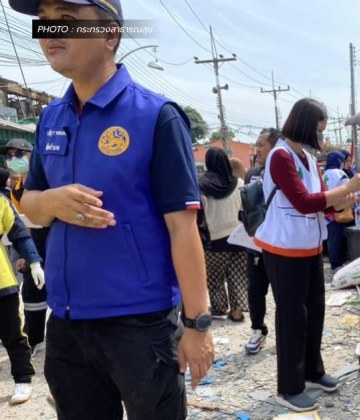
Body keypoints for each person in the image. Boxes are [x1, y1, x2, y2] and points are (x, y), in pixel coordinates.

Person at [12, 0, 214, 417]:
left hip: (139, 326)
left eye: (66, 21)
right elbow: (29, 205)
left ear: (109, 35)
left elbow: (183, 228)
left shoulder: (156, 116)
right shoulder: (51, 118)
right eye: (44, 22)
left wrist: (197, 326)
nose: (50, 33)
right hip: (67, 323)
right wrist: (50, 201)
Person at [254, 98, 360, 412]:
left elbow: (323, 205)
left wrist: (351, 197)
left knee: (314, 311)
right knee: (292, 317)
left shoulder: (307, 159)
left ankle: (313, 372)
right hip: (284, 248)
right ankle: (288, 387)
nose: (321, 135)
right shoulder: (280, 156)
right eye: (319, 129)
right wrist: (345, 189)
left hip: (310, 247)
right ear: (305, 125)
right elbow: (303, 202)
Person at [1, 139, 49, 356]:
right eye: (9, 156)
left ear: (32, 155)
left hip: (52, 237)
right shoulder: (17, 186)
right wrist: (24, 254)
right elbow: (20, 223)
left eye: (19, 154)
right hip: (35, 240)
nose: (13, 160)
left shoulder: (45, 178)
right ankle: (35, 336)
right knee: (31, 289)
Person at [0, 194, 44, 405]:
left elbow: (19, 233)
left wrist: (34, 261)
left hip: (2, 281)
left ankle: (23, 378)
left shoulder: (0, 201)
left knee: (13, 333)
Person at [200, 147, 249, 322]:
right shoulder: (239, 183)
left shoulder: (201, 186)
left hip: (214, 240)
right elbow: (245, 208)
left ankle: (219, 308)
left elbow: (201, 212)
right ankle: (237, 311)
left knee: (215, 277)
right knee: (238, 275)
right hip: (238, 237)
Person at [243, 128, 278, 355]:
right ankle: (257, 330)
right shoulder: (252, 174)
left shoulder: (286, 174)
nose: (257, 150)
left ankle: (286, 332)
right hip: (255, 244)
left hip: (280, 245)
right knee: (255, 290)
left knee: (283, 293)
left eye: (261, 145)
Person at [323, 151, 351, 270]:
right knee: (338, 238)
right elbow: (348, 190)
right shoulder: (340, 173)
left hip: (325, 210)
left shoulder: (324, 174)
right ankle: (337, 265)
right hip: (338, 209)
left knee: (330, 239)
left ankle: (333, 262)